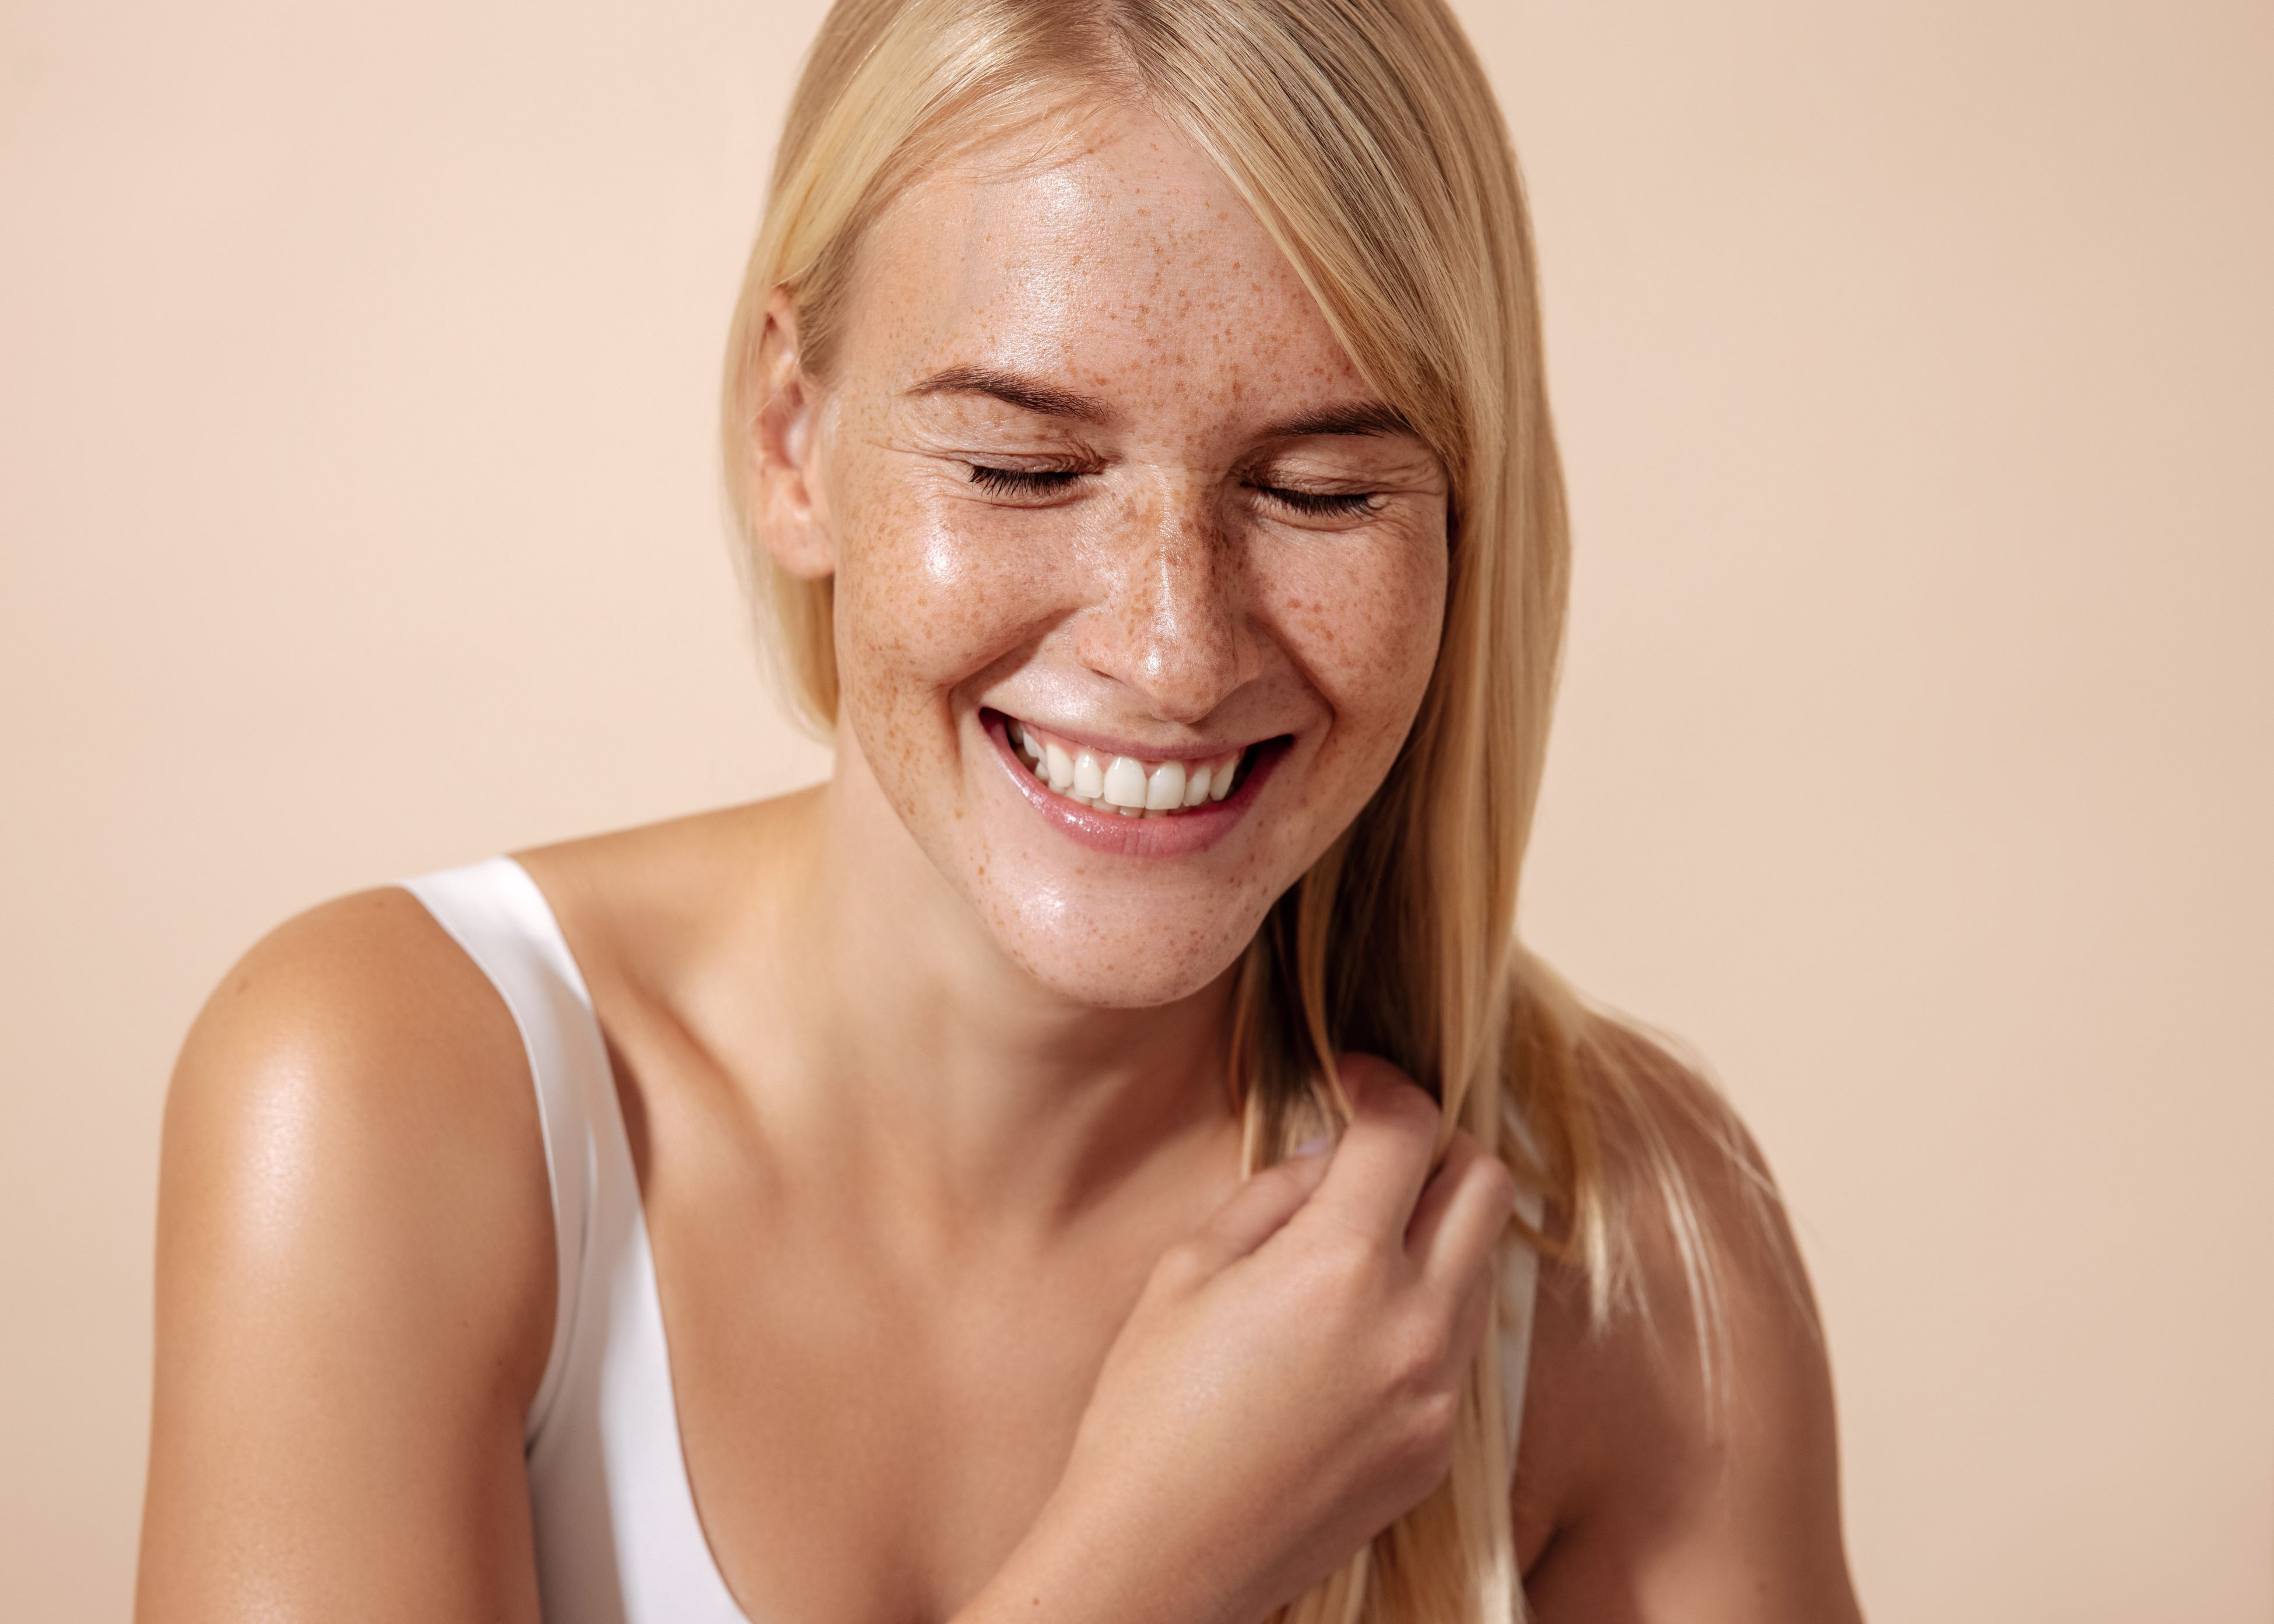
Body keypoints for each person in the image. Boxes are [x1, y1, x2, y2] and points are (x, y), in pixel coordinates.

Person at [136, 1, 1861, 1619]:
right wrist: (1148, 1560)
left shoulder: (1620, 1247)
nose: (1175, 649)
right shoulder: (386, 1089)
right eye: (1024, 467)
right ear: (790, 436)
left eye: (1321, 489)